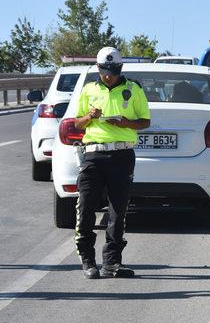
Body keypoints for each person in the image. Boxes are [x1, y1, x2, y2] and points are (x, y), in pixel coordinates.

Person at [74, 47, 151, 279]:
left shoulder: (133, 89)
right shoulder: (89, 90)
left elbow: (145, 121)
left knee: (118, 210)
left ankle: (112, 262)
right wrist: (89, 117)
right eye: (106, 71)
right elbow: (77, 124)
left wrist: (126, 123)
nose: (110, 76)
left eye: (114, 71)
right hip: (93, 154)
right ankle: (88, 260)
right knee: (86, 207)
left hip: (122, 155)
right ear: (98, 68)